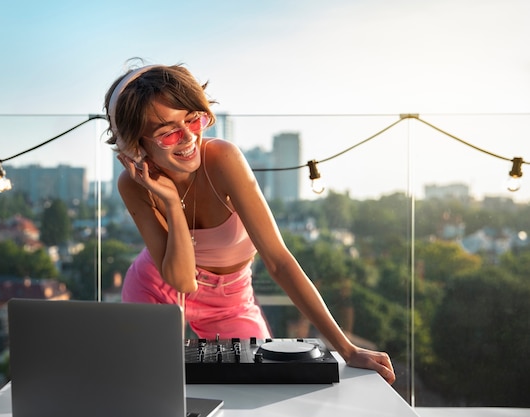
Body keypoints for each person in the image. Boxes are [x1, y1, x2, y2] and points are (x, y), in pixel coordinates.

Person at [104, 62, 396, 384]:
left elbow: (279, 261)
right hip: (156, 288)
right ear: (136, 145)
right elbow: (183, 283)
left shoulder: (223, 159)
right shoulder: (132, 184)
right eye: (169, 132)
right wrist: (172, 203)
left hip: (231, 303)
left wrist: (346, 349)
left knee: (258, 389)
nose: (189, 137)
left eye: (194, 119)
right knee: (148, 387)